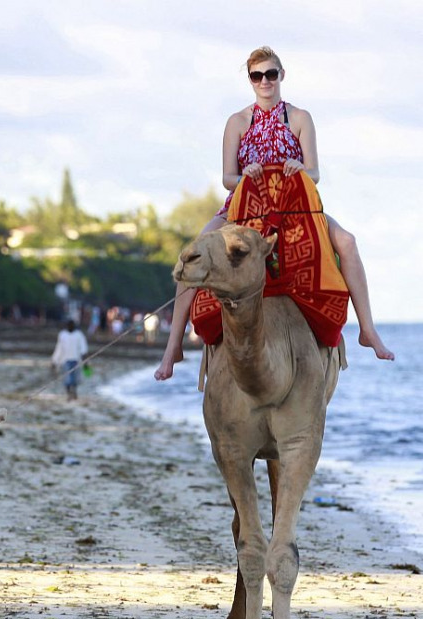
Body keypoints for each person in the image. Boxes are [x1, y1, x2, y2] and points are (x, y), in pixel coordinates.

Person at [155, 46, 394, 382]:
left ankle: (367, 330)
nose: (264, 81)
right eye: (257, 76)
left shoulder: (299, 118)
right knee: (194, 252)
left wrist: (300, 168)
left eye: (270, 74)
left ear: (281, 75)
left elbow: (315, 173)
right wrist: (244, 176)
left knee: (348, 242)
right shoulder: (237, 122)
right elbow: (227, 179)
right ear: (250, 81)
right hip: (243, 208)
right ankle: (173, 348)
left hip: (295, 208)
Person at [51, 319, 89, 401]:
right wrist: (54, 360)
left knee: (75, 378)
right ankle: (69, 394)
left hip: (76, 360)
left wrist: (85, 361)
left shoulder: (79, 335)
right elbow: (59, 348)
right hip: (65, 360)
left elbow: (83, 348)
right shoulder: (62, 335)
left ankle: (74, 393)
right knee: (67, 379)